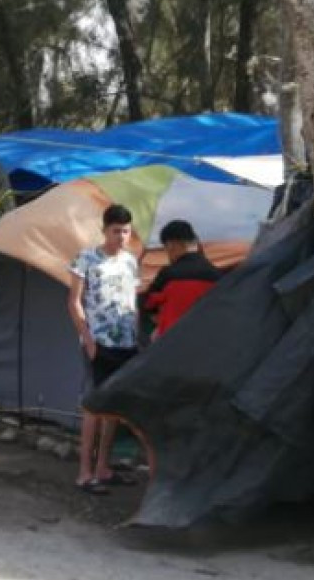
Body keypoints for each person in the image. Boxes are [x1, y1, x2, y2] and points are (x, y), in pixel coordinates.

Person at [67, 204, 139, 495]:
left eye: (125, 231)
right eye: (115, 231)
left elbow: (133, 301)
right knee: (93, 407)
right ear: (104, 230)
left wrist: (137, 336)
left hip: (126, 342)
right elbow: (73, 301)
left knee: (112, 408)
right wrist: (87, 337)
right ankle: (84, 472)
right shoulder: (86, 259)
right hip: (99, 342)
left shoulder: (132, 261)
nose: (120, 236)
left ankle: (103, 469)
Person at [144, 220, 221, 339]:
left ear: (171, 245)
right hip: (207, 340)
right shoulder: (216, 275)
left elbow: (149, 304)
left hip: (171, 341)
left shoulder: (168, 275)